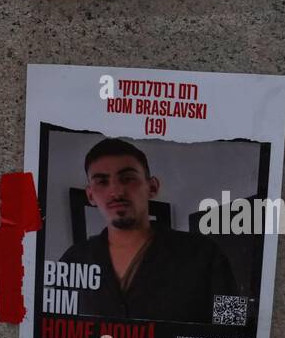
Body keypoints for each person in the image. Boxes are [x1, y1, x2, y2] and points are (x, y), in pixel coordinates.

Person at [56, 137, 238, 322]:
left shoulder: (205, 253)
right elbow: (55, 328)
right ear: (90, 195)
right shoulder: (73, 260)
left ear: (152, 187)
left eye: (127, 179)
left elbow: (234, 323)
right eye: (102, 182)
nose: (117, 191)